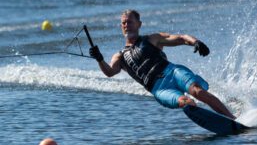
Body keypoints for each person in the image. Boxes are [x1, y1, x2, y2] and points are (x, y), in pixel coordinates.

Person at [89, 9, 236, 119]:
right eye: (123, 23)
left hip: (172, 72)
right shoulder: (120, 56)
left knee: (197, 91)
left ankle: (233, 119)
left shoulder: (152, 39)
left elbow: (180, 38)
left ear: (139, 24)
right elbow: (109, 72)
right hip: (159, 88)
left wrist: (195, 42)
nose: (126, 25)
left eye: (130, 22)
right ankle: (214, 120)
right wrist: (99, 58)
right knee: (185, 102)